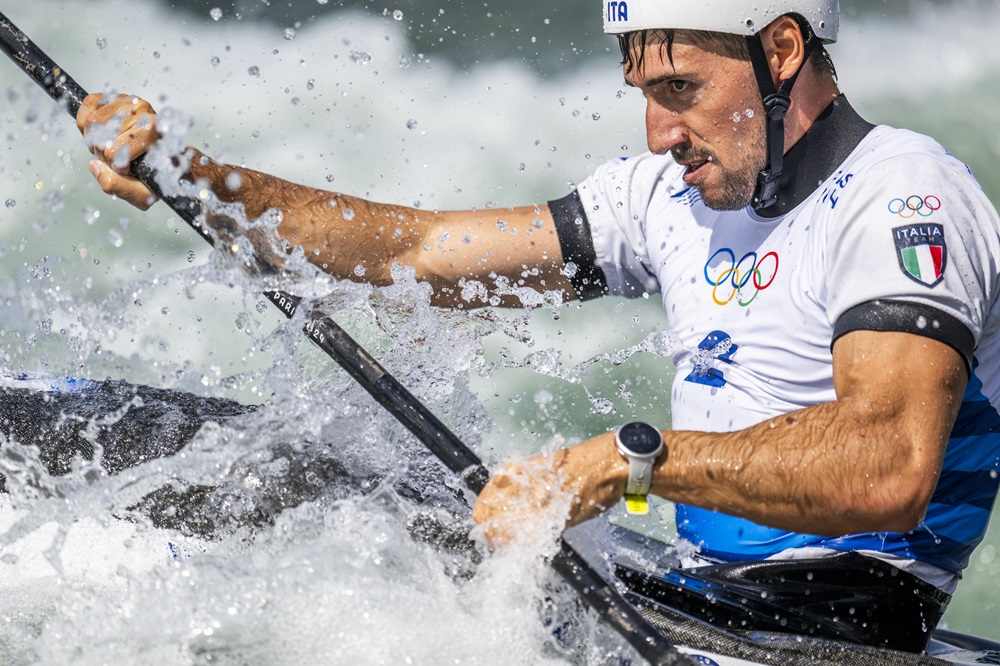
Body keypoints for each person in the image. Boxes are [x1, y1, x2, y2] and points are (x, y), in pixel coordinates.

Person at [77, 0, 1000, 653]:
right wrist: (196, 178)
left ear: (785, 48)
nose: (656, 132)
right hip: (704, 602)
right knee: (364, 506)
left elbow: (888, 464)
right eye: (643, 90)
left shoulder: (902, 198)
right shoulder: (666, 199)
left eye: (680, 88)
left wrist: (624, 462)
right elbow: (425, 253)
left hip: (837, 630)